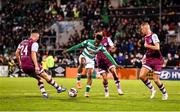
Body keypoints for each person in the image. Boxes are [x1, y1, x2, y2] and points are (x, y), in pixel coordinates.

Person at [15, 29, 66, 98]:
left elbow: (17, 53)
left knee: (39, 78)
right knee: (46, 76)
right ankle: (59, 88)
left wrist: (20, 63)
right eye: (38, 37)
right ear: (35, 36)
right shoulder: (34, 43)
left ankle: (44, 94)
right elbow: (33, 54)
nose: (38, 39)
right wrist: (36, 66)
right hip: (31, 64)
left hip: (24, 66)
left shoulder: (22, 42)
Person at [139, 22, 168, 100]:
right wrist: (144, 57)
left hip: (157, 60)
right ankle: (152, 90)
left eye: (142, 29)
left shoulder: (154, 35)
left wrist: (147, 45)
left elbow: (157, 47)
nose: (141, 31)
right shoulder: (145, 37)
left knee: (155, 79)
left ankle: (164, 93)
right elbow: (149, 50)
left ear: (146, 28)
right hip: (149, 59)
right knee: (141, 76)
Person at [95, 31, 123, 97]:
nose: (100, 33)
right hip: (100, 62)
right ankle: (106, 91)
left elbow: (112, 48)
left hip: (108, 60)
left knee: (114, 72)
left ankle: (119, 89)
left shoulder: (107, 39)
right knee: (105, 78)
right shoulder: (94, 42)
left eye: (100, 33)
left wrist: (113, 48)